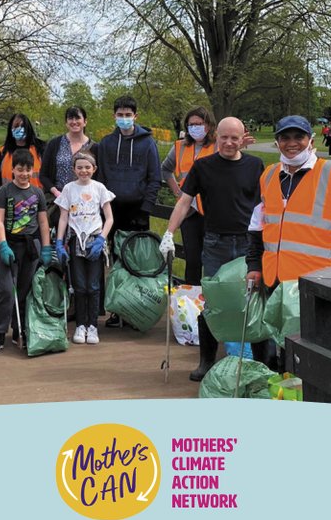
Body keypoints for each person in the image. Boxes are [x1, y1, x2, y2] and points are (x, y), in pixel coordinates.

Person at [245, 115, 331, 367]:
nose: (291, 143)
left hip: (312, 285)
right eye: (284, 137)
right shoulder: (267, 176)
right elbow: (256, 227)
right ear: (277, 142)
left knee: (310, 355)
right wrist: (253, 266)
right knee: (277, 344)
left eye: (298, 137)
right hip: (273, 279)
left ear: (310, 140)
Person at [160, 117, 264, 380]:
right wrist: (169, 233)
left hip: (247, 244)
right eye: (224, 137)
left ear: (243, 139)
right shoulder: (203, 166)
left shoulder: (255, 165)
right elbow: (184, 202)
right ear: (216, 137)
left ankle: (258, 360)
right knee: (212, 302)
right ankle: (206, 360)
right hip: (215, 242)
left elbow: (265, 205)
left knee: (250, 301)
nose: (229, 143)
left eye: (235, 138)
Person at [95, 95, 160, 326]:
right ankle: (117, 309)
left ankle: (137, 308)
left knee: (137, 260)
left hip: (137, 209)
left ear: (135, 116)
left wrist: (146, 208)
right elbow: (100, 177)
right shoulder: (106, 143)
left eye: (128, 115)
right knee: (115, 260)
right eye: (120, 115)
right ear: (114, 116)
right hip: (112, 208)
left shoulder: (147, 143)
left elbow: (155, 178)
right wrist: (103, 206)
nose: (124, 119)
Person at [0, 148, 54, 352]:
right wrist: (2, 245)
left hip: (30, 247)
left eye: (28, 170)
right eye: (20, 170)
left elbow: (43, 223)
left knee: (25, 291)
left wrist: (45, 247)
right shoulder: (4, 191)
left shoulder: (37, 193)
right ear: (13, 171)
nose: (24, 174)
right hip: (8, 244)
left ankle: (21, 330)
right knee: (7, 290)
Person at [55, 152, 115, 345]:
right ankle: (80, 325)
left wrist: (101, 239)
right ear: (74, 169)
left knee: (94, 285)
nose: (83, 171)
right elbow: (64, 217)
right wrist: (59, 241)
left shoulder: (99, 188)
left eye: (87, 167)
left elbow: (109, 217)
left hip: (94, 237)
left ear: (94, 169)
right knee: (79, 285)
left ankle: (93, 325)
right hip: (75, 240)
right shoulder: (68, 189)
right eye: (79, 167)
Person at [160, 107, 216, 286]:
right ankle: (191, 302)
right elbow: (165, 169)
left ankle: (212, 300)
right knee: (192, 259)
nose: (195, 127)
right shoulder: (180, 146)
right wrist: (177, 191)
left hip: (211, 210)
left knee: (212, 260)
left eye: (199, 124)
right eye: (191, 124)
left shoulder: (217, 145)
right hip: (188, 211)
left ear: (208, 125)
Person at [41, 105, 96, 227]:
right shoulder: (54, 144)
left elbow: (99, 178)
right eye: (70, 118)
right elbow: (43, 175)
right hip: (57, 201)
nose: (74, 122)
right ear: (66, 122)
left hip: (85, 203)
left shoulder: (94, 148)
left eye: (78, 118)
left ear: (85, 121)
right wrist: (57, 193)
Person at [0, 113, 46, 189]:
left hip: (36, 197)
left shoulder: (40, 148)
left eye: (23, 126)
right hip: (10, 197)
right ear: (10, 129)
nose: (19, 129)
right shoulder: (4, 151)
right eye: (16, 126)